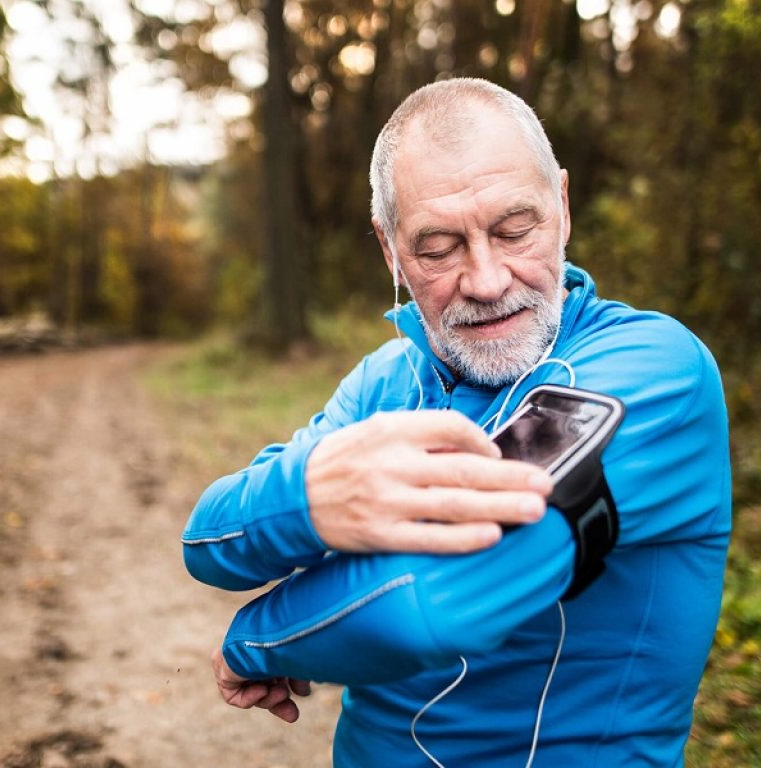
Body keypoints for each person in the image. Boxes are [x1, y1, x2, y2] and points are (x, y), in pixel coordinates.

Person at [183, 77, 731, 767]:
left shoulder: (651, 370)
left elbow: (427, 605)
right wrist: (313, 493)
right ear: (390, 249)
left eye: (513, 229)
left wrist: (251, 645)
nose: (487, 279)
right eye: (439, 246)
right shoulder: (388, 376)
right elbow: (209, 539)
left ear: (561, 206)